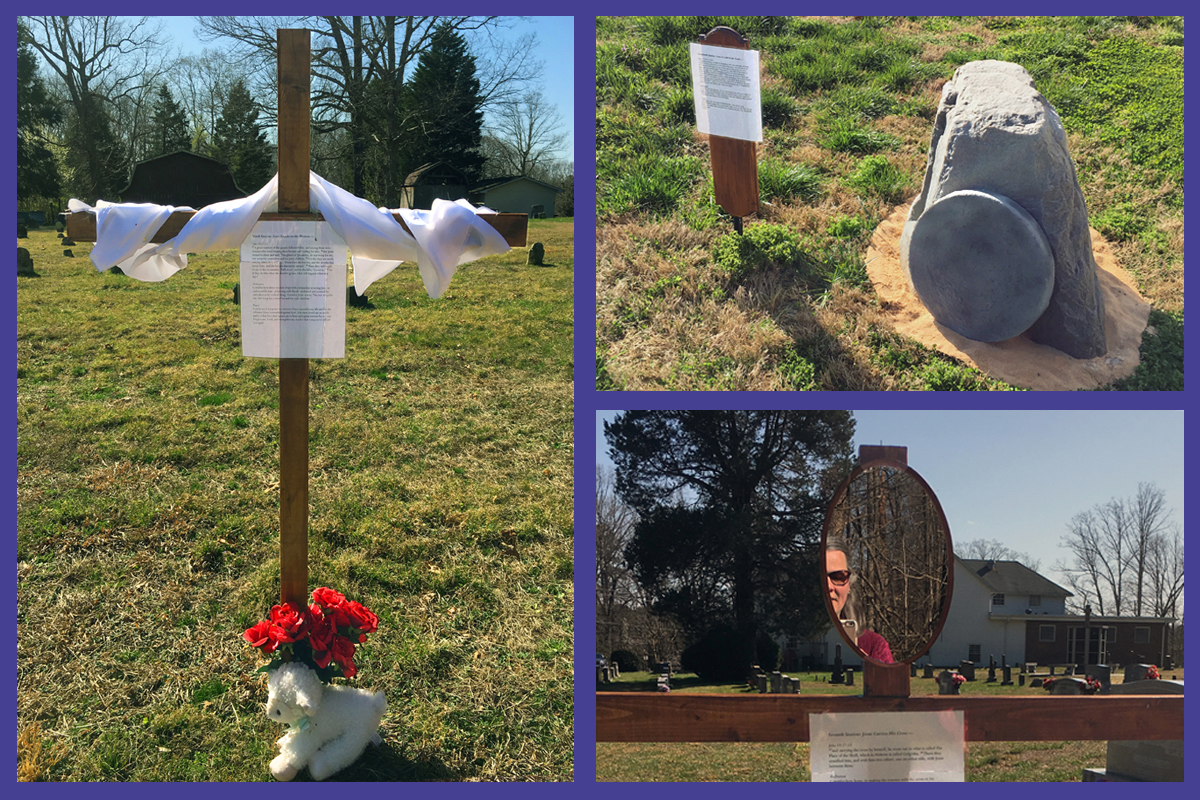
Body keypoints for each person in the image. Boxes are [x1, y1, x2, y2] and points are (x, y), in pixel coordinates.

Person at [826, 537, 893, 664]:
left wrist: (871, 671)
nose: (828, 586)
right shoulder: (795, 637)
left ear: (849, 585)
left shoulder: (875, 646)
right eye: (821, 578)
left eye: (838, 577)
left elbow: (891, 684)